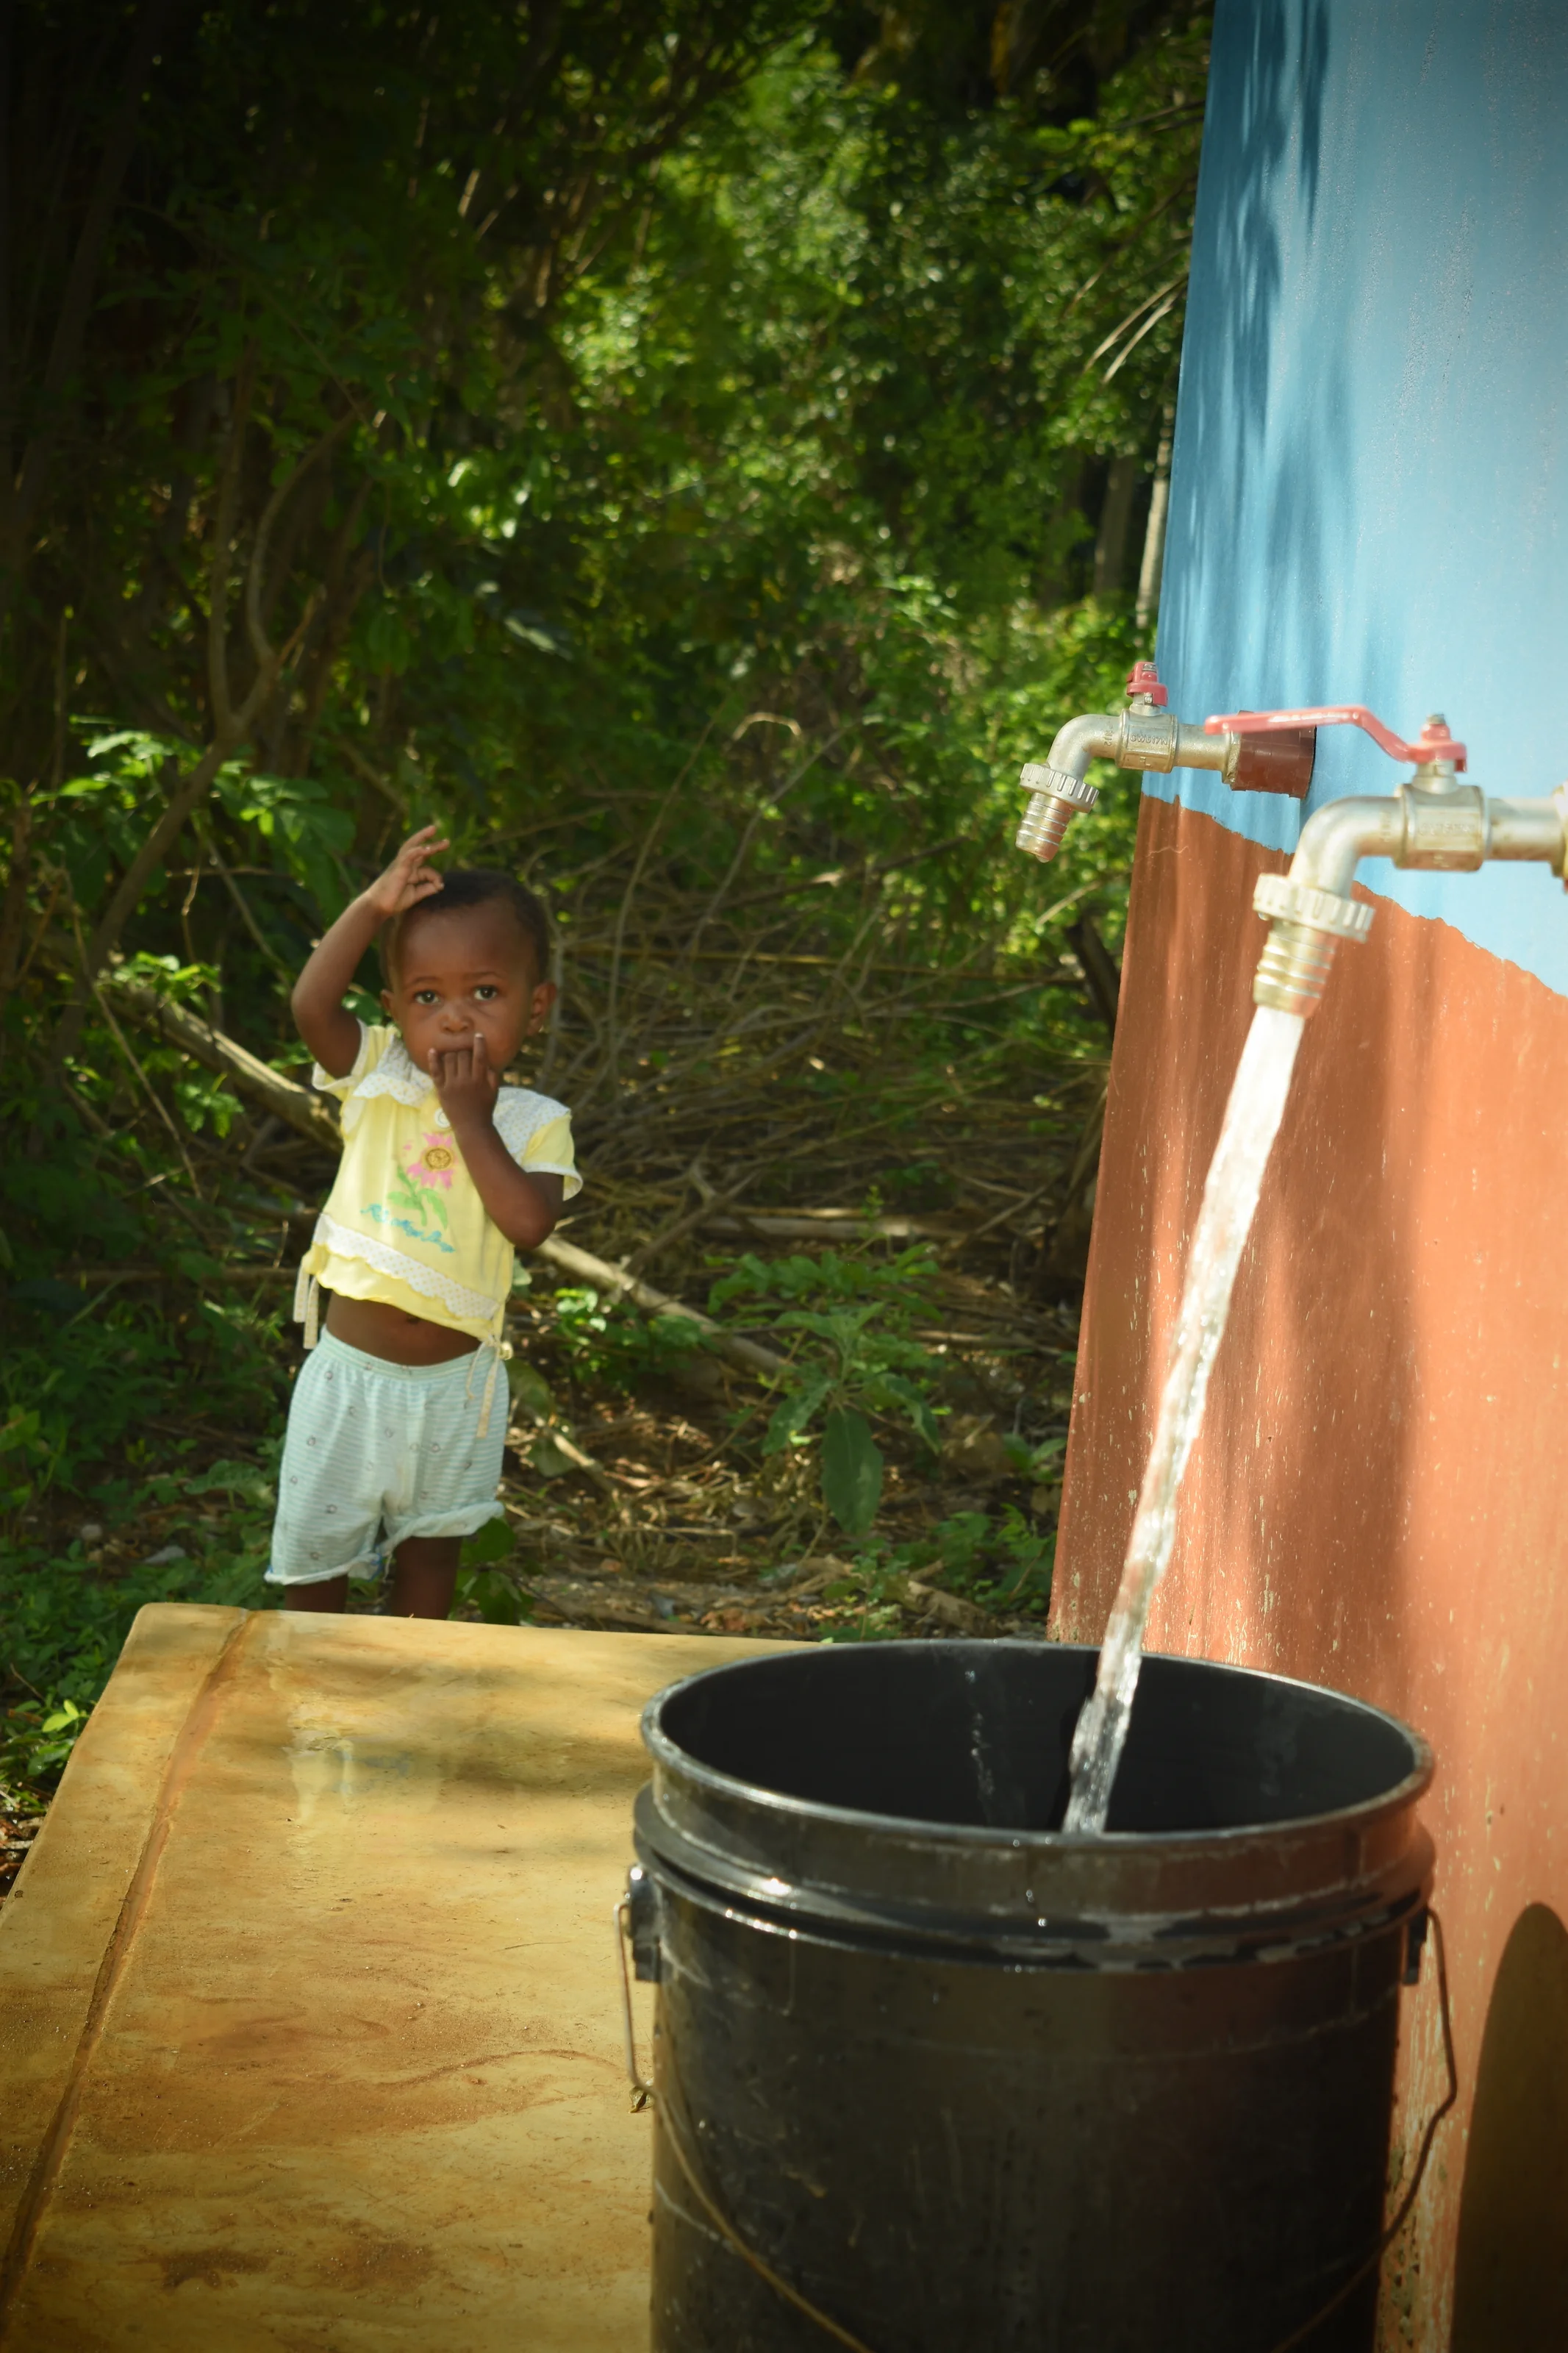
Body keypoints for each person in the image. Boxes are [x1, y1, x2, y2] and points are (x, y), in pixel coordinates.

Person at [265, 824, 578, 1618]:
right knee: (313, 1564)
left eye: (486, 992)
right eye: (428, 996)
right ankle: (311, 1709)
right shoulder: (376, 1073)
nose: (454, 1018)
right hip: (350, 1378)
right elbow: (309, 1003)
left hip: (456, 1389)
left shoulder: (535, 1120)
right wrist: (374, 905)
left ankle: (403, 1720)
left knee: (430, 1562)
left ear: (534, 1007)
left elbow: (528, 1224)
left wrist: (472, 1120)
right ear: (395, 1007)